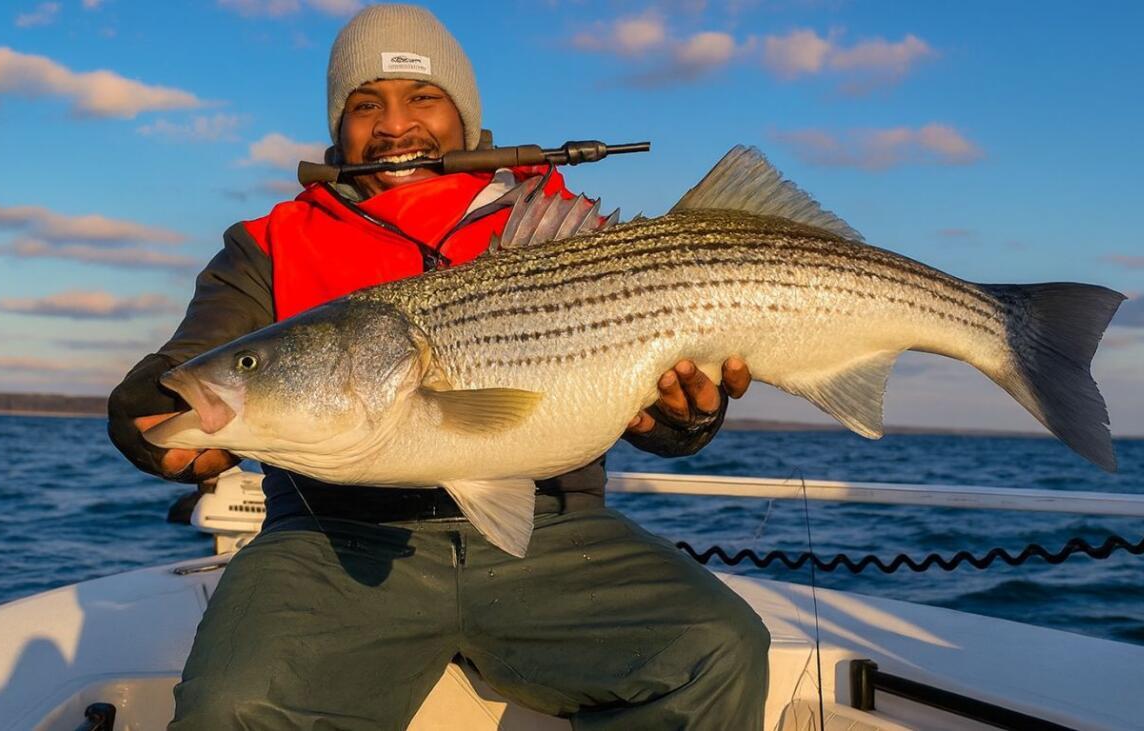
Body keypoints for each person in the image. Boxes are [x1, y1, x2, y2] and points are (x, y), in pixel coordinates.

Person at [107, 5, 770, 729]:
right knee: (229, 705)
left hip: (552, 530)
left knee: (720, 649)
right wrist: (148, 425)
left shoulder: (559, 225)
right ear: (339, 127)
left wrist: (688, 416)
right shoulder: (265, 245)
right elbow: (186, 364)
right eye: (365, 105)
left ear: (466, 114)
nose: (394, 126)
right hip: (330, 542)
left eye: (422, 97)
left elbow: (657, 407)